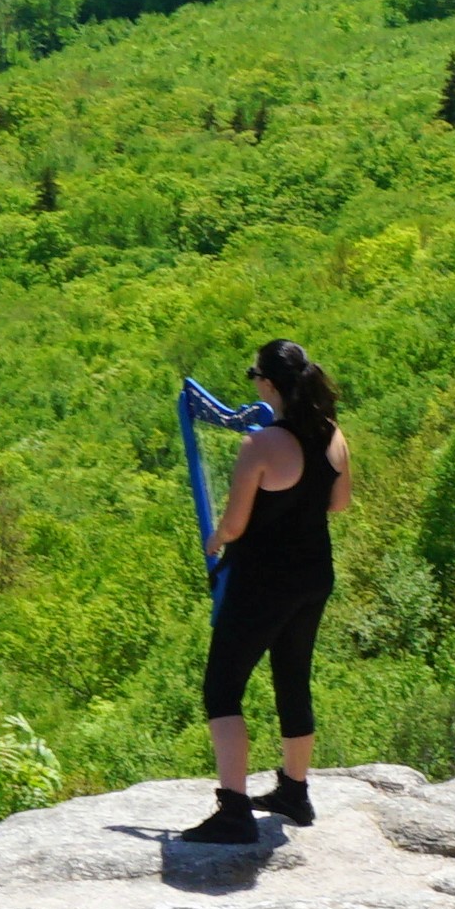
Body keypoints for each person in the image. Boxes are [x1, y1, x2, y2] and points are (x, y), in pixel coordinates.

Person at [190, 338, 347, 846]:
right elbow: (337, 504)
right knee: (293, 678)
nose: (252, 382)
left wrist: (216, 538)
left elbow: (234, 525)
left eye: (253, 374)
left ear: (268, 384)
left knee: (222, 689)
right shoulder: (332, 435)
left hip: (263, 582)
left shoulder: (258, 446)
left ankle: (234, 812)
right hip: (313, 575)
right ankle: (294, 793)